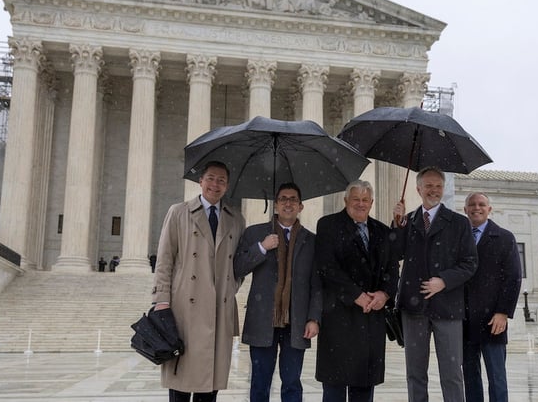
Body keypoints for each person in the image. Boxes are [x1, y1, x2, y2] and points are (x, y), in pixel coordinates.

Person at [152, 161, 246, 402]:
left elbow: (239, 265)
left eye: (222, 180)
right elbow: (164, 260)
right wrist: (161, 301)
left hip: (218, 310)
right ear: (200, 181)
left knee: (209, 387)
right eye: (211, 178)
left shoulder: (235, 218)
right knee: (181, 385)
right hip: (185, 310)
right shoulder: (178, 212)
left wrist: (229, 287)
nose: (216, 185)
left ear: (227, 186)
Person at [392, 167, 478, 402]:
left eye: (438, 186)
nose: (434, 190)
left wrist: (444, 281)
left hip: (448, 308)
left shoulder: (459, 223)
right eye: (429, 186)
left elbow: (470, 263)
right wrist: (397, 224)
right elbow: (395, 253)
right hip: (414, 308)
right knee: (415, 374)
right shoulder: (408, 220)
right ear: (418, 189)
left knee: (451, 374)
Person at [234, 183, 322, 402]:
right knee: (260, 382)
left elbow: (317, 284)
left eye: (293, 199)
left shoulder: (311, 241)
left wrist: (314, 318)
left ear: (301, 206)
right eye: (283, 198)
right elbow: (238, 268)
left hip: (297, 321)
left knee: (292, 383)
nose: (288, 203)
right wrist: (261, 248)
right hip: (263, 318)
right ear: (276, 204)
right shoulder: (255, 233)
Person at [315, 180, 399, 402]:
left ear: (371, 202)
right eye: (356, 199)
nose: (360, 204)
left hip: (371, 319)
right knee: (334, 388)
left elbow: (393, 269)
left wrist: (385, 294)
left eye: (365, 200)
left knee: (364, 388)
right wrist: (355, 295)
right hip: (338, 317)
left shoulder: (383, 231)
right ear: (345, 201)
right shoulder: (328, 225)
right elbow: (326, 267)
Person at [462, 192, 522, 402]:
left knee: (497, 377)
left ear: (489, 209)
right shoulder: (460, 237)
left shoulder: (505, 237)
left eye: (481, 204)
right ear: (465, 210)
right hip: (465, 319)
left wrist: (503, 312)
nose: (476, 208)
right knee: (470, 377)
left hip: (492, 319)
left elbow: (513, 277)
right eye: (472, 204)